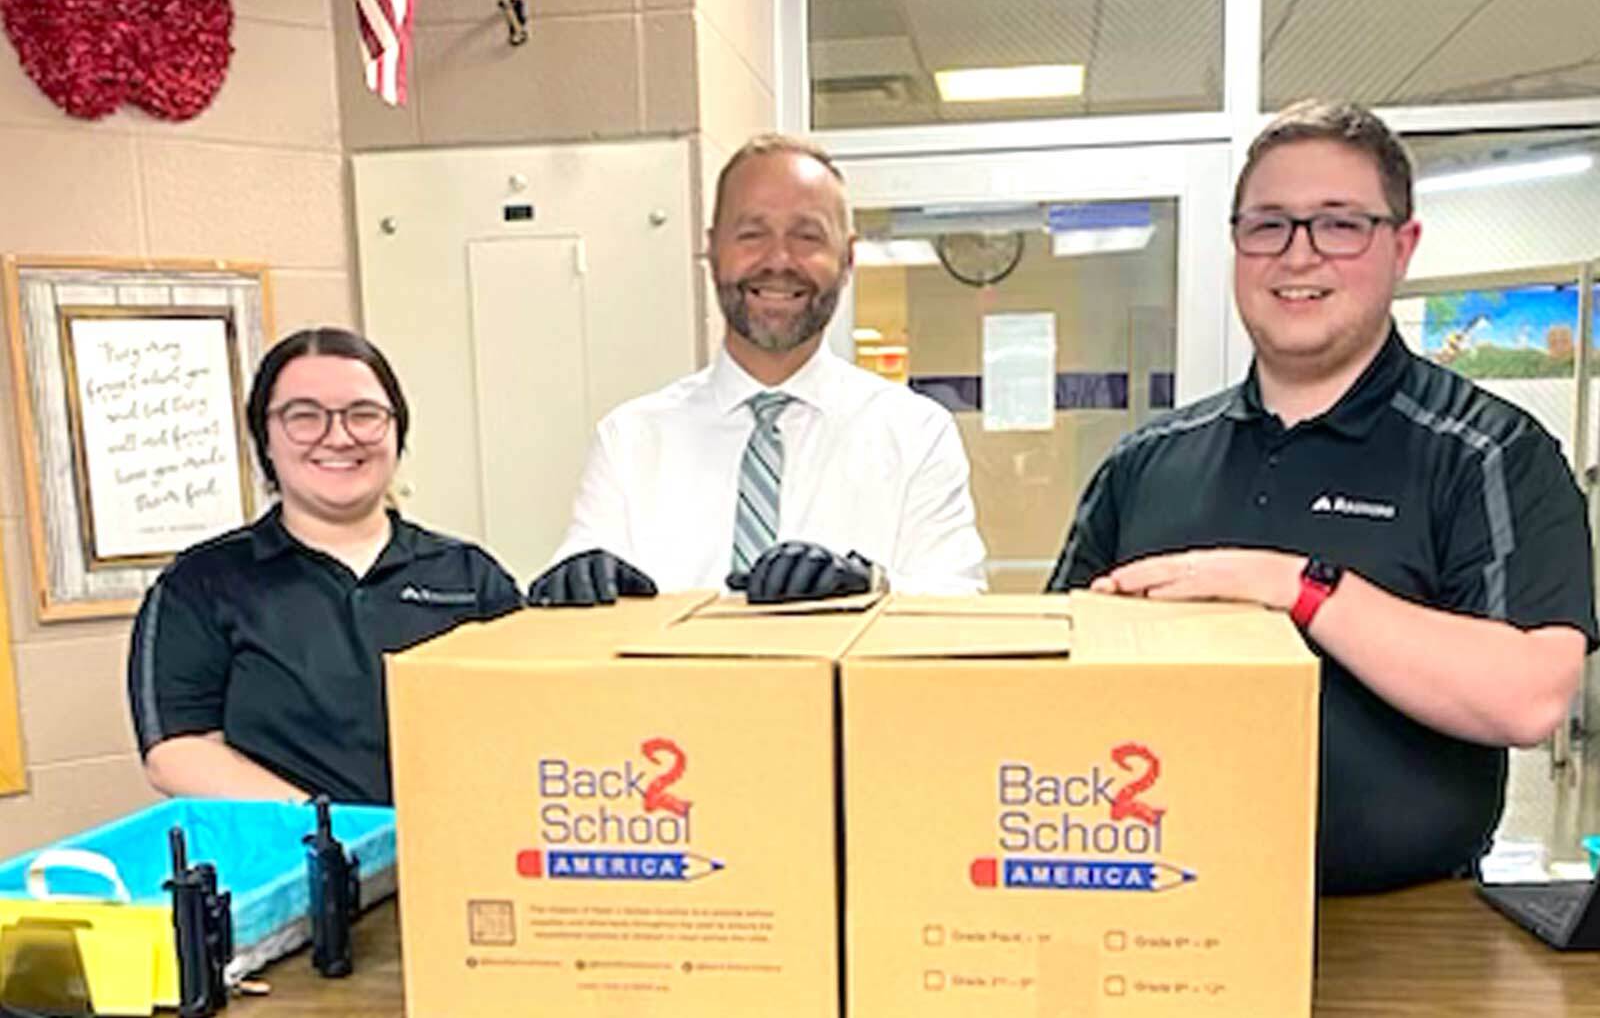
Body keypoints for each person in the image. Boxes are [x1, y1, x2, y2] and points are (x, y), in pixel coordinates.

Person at [1047, 100, 1597, 894]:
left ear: (1402, 246)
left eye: (1340, 224)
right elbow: (1052, 679)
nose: (1297, 256)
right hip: (1161, 904)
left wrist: (1298, 587)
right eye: (1268, 225)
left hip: (1406, 919)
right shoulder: (1143, 462)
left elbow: (1530, 695)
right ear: (1237, 244)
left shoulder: (1491, 452)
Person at [529, 133, 986, 605]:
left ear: (847, 258)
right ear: (712, 251)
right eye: (751, 234)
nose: (778, 260)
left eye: (807, 236)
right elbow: (579, 621)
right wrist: (573, 592)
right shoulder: (629, 441)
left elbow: (956, 606)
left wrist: (871, 587)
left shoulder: (916, 434)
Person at [127, 328, 523, 804]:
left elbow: (526, 718)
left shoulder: (467, 575)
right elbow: (176, 751)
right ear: (266, 440)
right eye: (304, 417)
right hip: (292, 865)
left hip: (459, 858)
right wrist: (333, 831)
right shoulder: (201, 584)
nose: (338, 437)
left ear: (397, 431)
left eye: (364, 415)